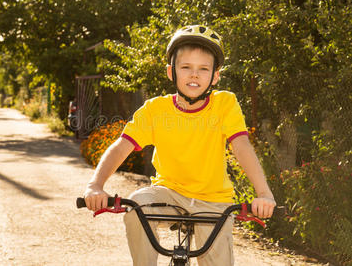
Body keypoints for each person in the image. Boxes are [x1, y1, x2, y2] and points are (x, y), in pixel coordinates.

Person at [84, 25, 276, 265]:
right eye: (185, 67)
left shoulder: (225, 104)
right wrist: (96, 185)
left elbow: (242, 147)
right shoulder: (155, 110)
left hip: (213, 200)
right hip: (168, 193)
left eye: (203, 69)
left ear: (215, 76)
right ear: (170, 72)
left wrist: (263, 194)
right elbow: (122, 146)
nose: (194, 75)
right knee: (137, 207)